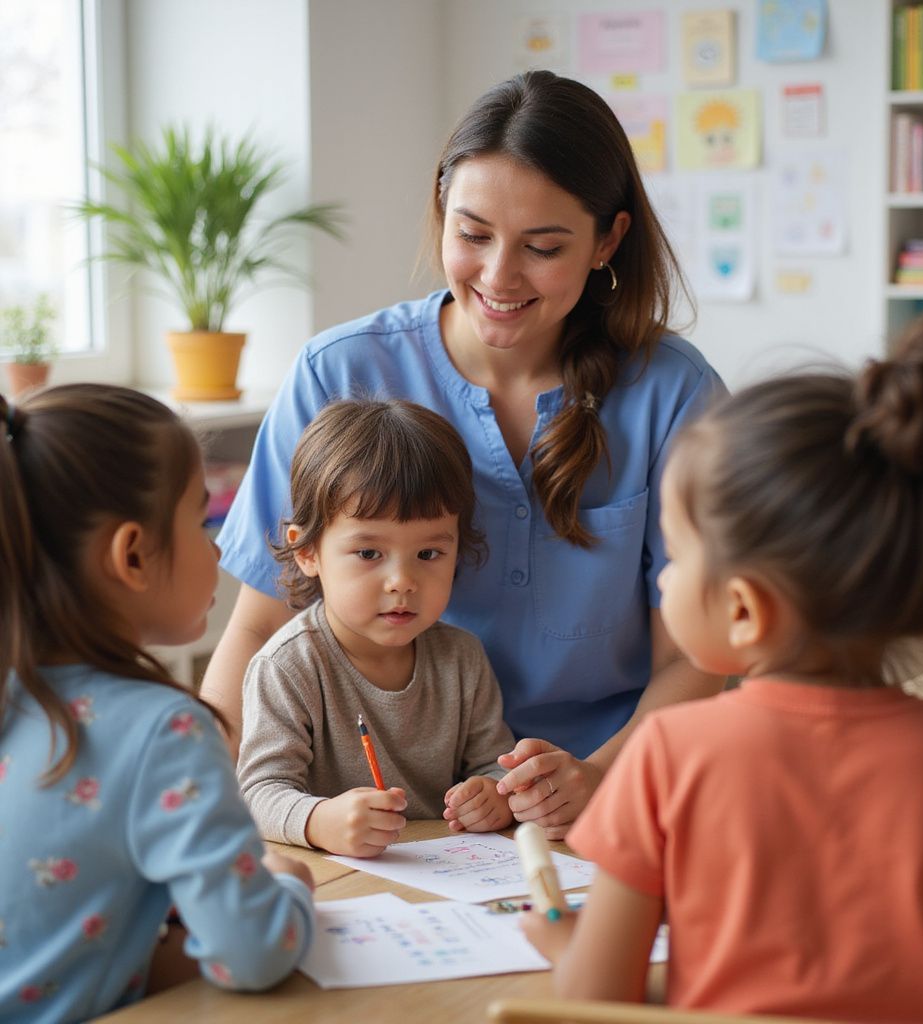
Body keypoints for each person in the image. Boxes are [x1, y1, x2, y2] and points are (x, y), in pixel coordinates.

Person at [205, 69, 726, 837]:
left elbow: (697, 659)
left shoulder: (673, 397)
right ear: (442, 209)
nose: (499, 277)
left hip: (610, 782)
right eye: (473, 235)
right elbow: (256, 633)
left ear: (607, 241)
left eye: (543, 247)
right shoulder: (340, 372)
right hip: (376, 808)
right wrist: (200, 808)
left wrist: (596, 777)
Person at [522, 317, 923, 1022]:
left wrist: (562, 942)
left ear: (745, 609)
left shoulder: (667, 758)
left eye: (675, 555)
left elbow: (600, 998)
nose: (662, 582)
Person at [0, 385, 316, 1022]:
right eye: (201, 521)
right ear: (134, 554)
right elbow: (252, 953)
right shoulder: (166, 730)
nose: (219, 547)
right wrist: (289, 886)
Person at [236, 398, 515, 856]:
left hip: (445, 875)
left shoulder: (463, 658)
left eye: (429, 554)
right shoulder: (287, 666)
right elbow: (259, 793)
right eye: (368, 554)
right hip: (336, 878)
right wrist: (319, 820)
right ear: (307, 552)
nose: (402, 582)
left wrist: (492, 795)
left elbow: (493, 763)